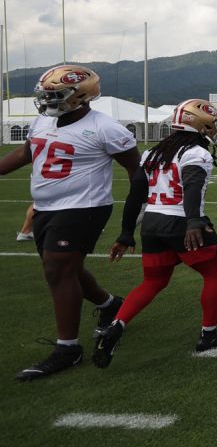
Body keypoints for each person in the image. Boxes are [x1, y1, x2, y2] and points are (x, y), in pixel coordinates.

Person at [0, 65, 141, 381]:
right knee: (68, 269)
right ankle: (109, 304)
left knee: (58, 267)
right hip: (46, 207)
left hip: (85, 206)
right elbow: (27, 151)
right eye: (46, 94)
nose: (48, 100)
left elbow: (136, 171)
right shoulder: (43, 120)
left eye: (55, 94)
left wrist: (136, 214)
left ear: (81, 96)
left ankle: (68, 348)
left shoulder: (106, 128)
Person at [92, 100, 217, 367]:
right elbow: (191, 187)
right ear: (199, 123)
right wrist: (194, 221)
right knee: (214, 273)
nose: (216, 128)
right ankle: (209, 334)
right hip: (182, 222)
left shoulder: (152, 154)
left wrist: (126, 233)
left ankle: (116, 326)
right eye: (213, 123)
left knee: (153, 282)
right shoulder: (195, 153)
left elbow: (135, 195)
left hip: (153, 224)